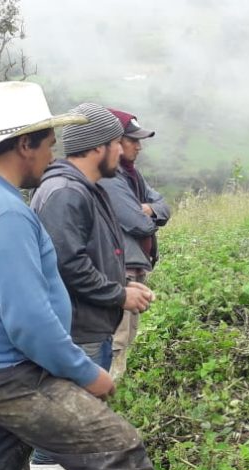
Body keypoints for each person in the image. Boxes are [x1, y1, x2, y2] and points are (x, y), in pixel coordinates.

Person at [0, 81, 213, 470]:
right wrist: (86, 374)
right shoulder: (2, 212)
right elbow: (27, 321)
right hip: (8, 373)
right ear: (24, 144)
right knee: (120, 450)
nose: (51, 153)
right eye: (46, 142)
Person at [28, 103, 154, 470]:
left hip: (86, 327)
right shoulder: (66, 193)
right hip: (76, 329)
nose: (123, 151)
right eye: (117, 143)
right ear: (98, 146)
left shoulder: (84, 187)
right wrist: (119, 294)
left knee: (74, 423)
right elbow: (68, 264)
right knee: (57, 428)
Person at [99, 109, 171, 381]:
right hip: (121, 266)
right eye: (133, 140)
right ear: (115, 141)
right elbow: (137, 223)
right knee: (117, 334)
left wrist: (149, 210)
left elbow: (163, 206)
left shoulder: (133, 175)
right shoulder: (111, 178)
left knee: (128, 332)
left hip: (135, 262)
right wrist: (149, 215)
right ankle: (109, 385)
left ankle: (116, 383)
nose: (139, 146)